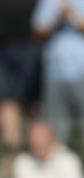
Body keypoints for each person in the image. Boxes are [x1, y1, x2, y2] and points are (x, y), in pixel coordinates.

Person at [0, 0, 41, 152]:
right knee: (5, 100)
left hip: (29, 42)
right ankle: (12, 151)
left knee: (34, 102)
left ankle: (38, 148)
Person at [33, 0, 84, 143]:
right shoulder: (49, 2)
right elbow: (37, 30)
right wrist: (56, 20)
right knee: (56, 133)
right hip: (54, 73)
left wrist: (71, 16)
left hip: (81, 71)